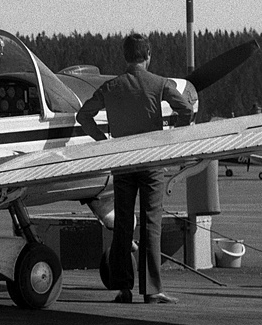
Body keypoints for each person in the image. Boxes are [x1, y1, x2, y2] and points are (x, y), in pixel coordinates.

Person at [76, 34, 194, 304]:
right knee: (151, 223)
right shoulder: (159, 83)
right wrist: (172, 136)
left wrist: (103, 141)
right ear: (148, 55)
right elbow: (185, 109)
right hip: (152, 161)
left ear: (126, 57)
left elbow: (83, 116)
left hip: (123, 161)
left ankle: (123, 288)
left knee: (122, 225)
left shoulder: (111, 86)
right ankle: (153, 290)